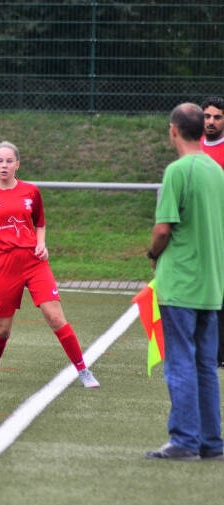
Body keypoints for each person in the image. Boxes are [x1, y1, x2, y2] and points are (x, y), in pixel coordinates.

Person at [0, 141, 100, 389]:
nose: (4, 165)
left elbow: (40, 223)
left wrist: (41, 243)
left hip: (34, 262)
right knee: (3, 329)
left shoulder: (31, 191)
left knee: (55, 317)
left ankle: (83, 370)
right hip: (4, 265)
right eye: (0, 161)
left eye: (9, 161)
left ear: (17, 164)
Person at [144, 102, 224, 461]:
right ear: (202, 129)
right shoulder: (217, 171)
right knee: (206, 365)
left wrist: (152, 254)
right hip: (211, 283)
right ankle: (211, 442)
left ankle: (185, 440)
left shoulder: (177, 171)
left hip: (180, 283)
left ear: (173, 130)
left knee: (179, 362)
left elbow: (163, 229)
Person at [199, 96, 224, 368]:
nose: (211, 121)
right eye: (207, 116)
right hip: (200, 234)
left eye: (217, 117)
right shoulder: (195, 147)